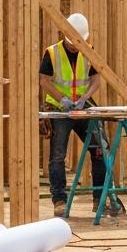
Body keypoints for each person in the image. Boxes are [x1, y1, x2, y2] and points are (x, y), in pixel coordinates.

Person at [39, 13, 121, 218]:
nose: (76, 45)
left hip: (83, 107)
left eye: (79, 41)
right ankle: (59, 201)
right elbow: (45, 80)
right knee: (57, 156)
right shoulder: (52, 52)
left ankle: (99, 200)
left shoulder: (89, 51)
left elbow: (95, 79)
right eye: (73, 41)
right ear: (65, 35)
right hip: (60, 107)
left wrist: (86, 97)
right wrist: (63, 99)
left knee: (100, 150)